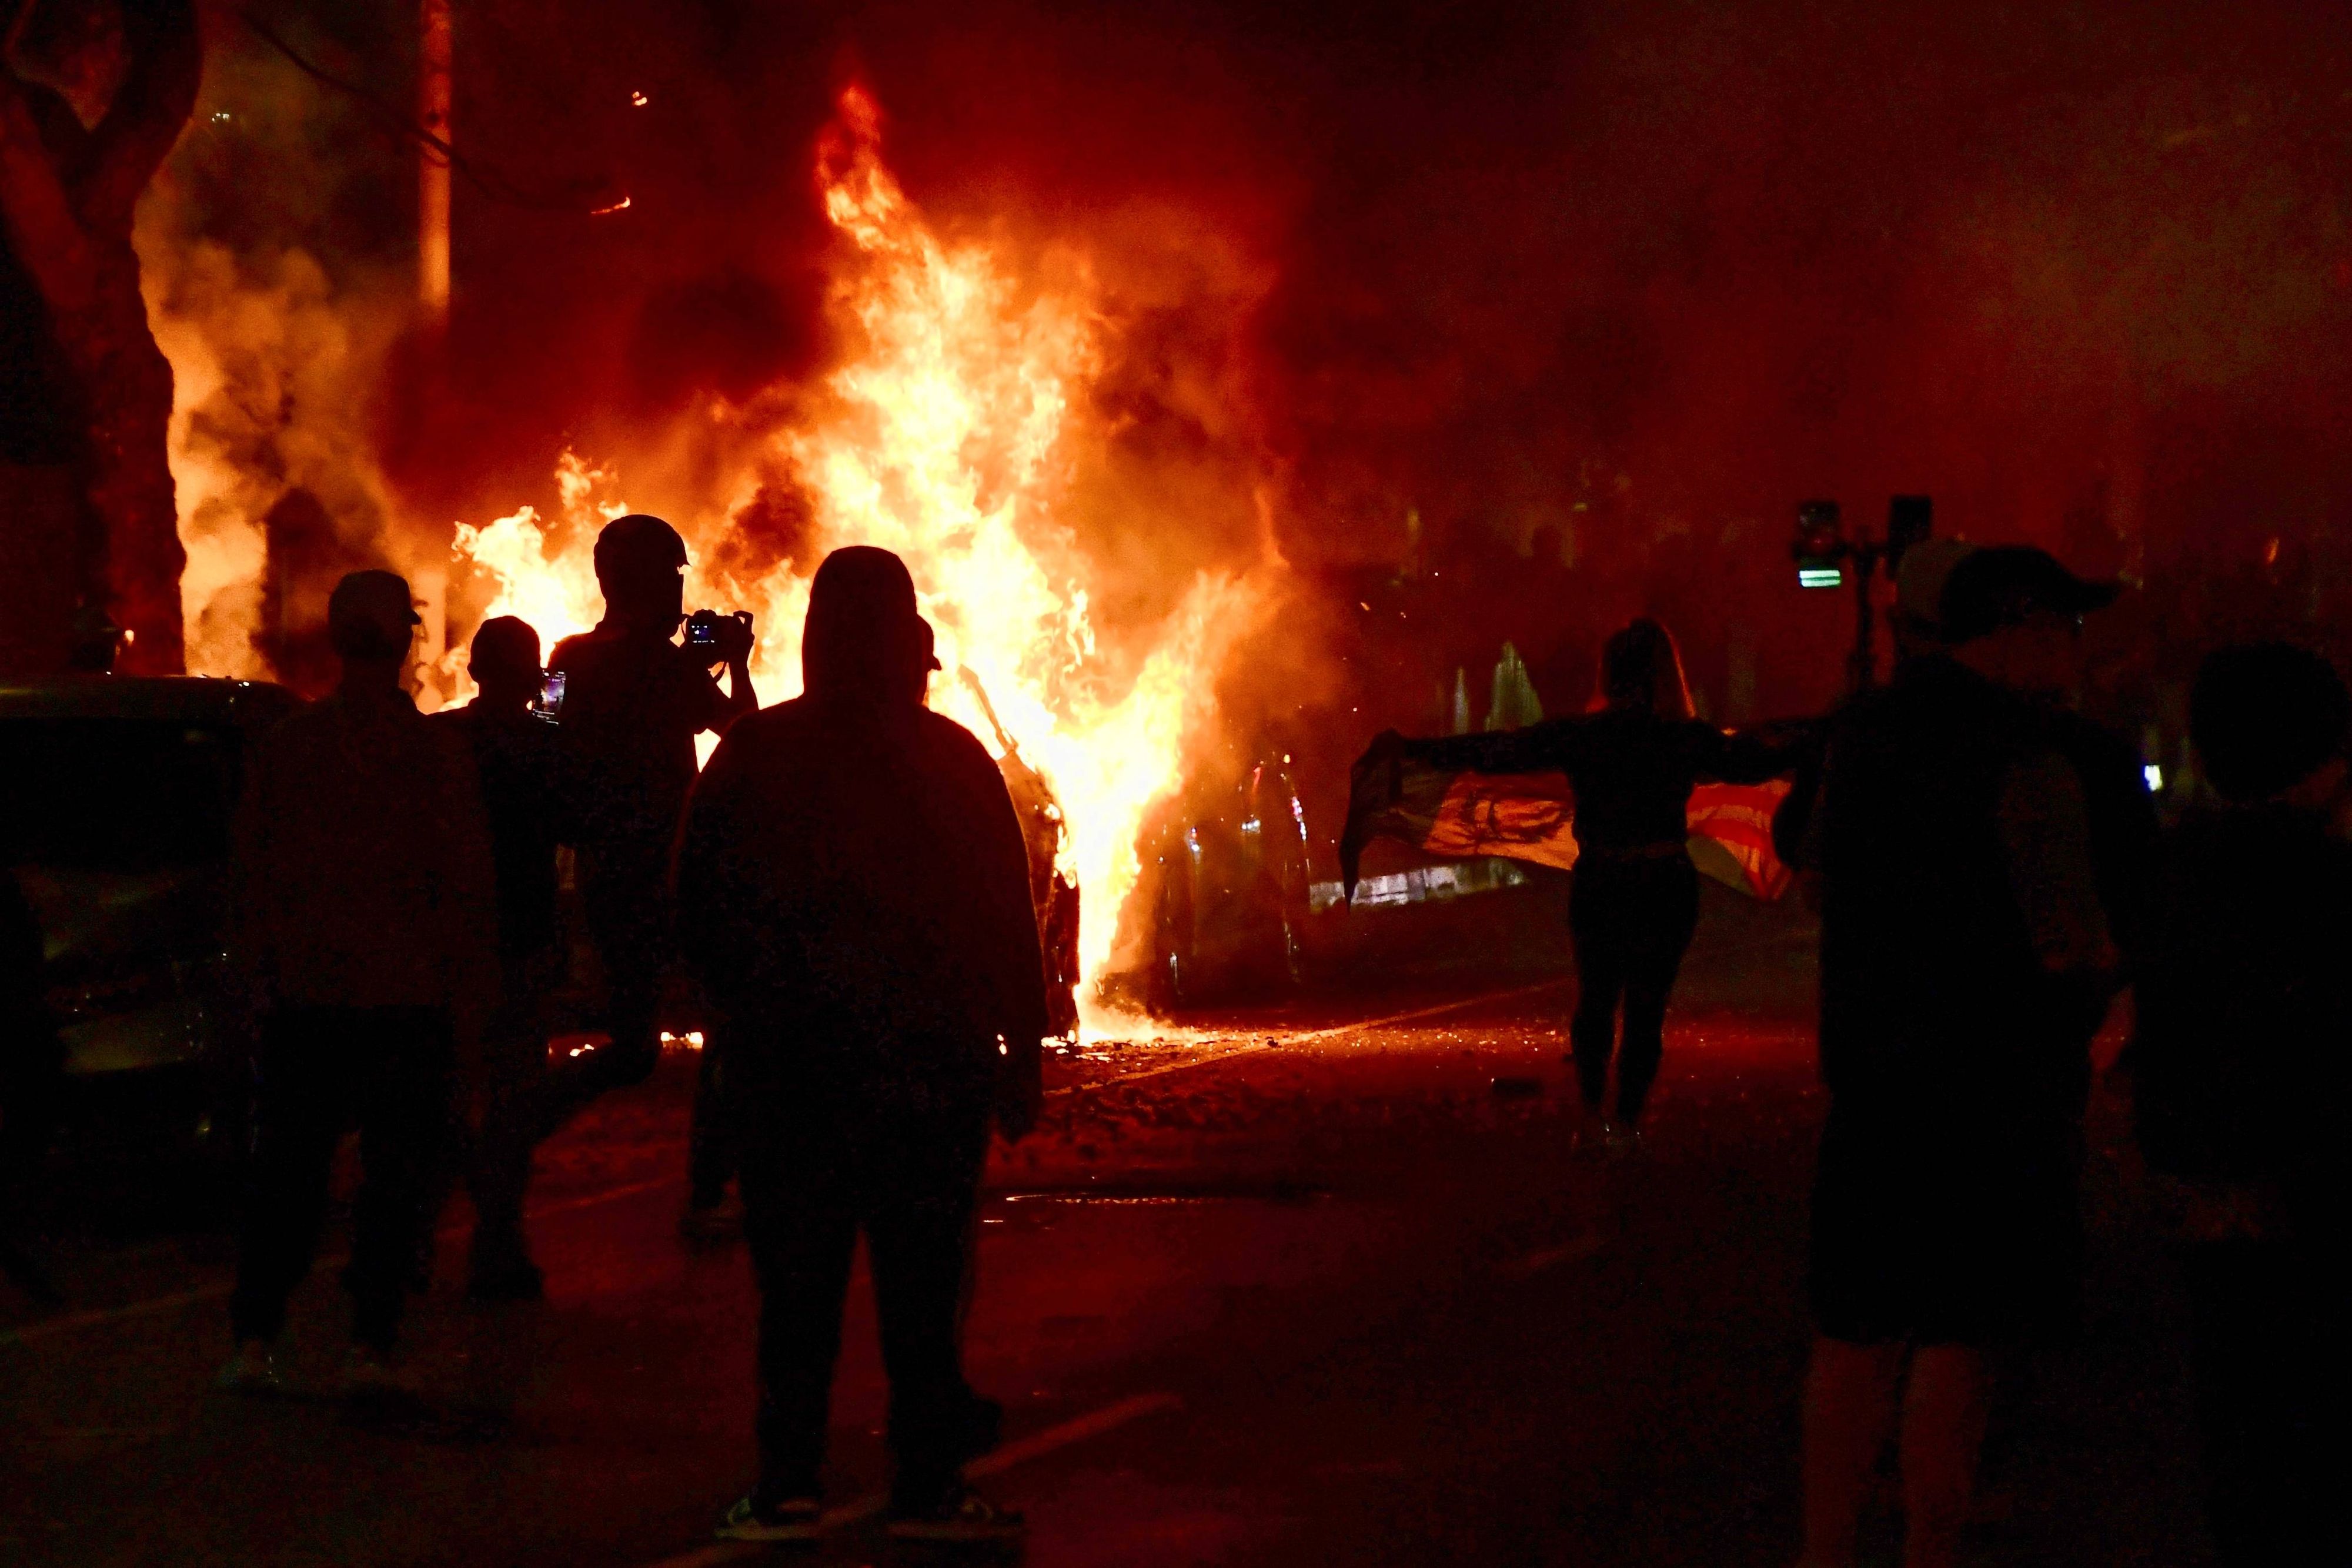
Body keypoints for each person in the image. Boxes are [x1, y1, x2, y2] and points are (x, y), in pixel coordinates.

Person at [676, 546, 1045, 1545]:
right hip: (930, 1071)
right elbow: (1006, 919)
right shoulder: (954, 758)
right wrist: (1023, 1053)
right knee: (926, 1287)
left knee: (796, 1290)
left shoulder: (754, 752)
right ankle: (927, 1484)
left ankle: (786, 1484)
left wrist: (734, 1028)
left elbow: (695, 907)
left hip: (791, 1072)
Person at [1796, 547, 2130, 1568]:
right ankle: (1928, 1548)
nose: (2074, 648)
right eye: (2064, 626)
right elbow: (2077, 939)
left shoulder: (1860, 733)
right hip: (1998, 1090)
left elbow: (1811, 871)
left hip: (1874, 1082)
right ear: (2018, 626)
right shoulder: (2045, 754)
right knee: (1961, 1335)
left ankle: (1825, 1547)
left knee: (1855, 1331)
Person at [220, 570, 498, 1393]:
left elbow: (252, 877)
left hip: (309, 999)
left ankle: (256, 1339)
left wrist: (255, 983)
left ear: (340, 640)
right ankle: (370, 1345)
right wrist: (472, 1009)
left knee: (288, 1176)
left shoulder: (291, 747)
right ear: (406, 640)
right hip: (406, 1004)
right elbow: (466, 888)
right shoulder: (434, 755)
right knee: (394, 1184)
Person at [1382, 617, 1791, 1149]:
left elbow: (1500, 749)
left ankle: (1593, 1114)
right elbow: (1752, 762)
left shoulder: (1588, 736)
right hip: (1663, 881)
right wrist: (1814, 738)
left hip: (1603, 879)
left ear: (1610, 672)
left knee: (1596, 999)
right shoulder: (1682, 737)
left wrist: (1417, 750)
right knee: (1646, 1008)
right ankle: (1627, 1120)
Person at [2132, 643, 2349, 1567]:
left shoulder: (2177, 872)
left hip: (2210, 1192)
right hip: (2317, 1193)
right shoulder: (2327, 883)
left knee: (2237, 1415)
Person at [546, 514, 754, 1229]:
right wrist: (736, 663)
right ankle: (708, 1190)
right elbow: (742, 732)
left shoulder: (567, 657)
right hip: (673, 869)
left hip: (606, 870)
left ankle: (516, 1125)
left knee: (636, 1044)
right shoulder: (662, 665)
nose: (676, 590)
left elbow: (543, 731)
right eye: (670, 575)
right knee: (727, 1024)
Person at [429, 616, 572, 1301]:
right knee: (514, 1094)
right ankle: (497, 1236)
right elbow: (568, 805)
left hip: (452, 937)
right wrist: (560, 679)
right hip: (520, 935)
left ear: (474, 670)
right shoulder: (542, 740)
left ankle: (427, 1234)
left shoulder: (443, 737)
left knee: (452, 1088)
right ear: (528, 675)